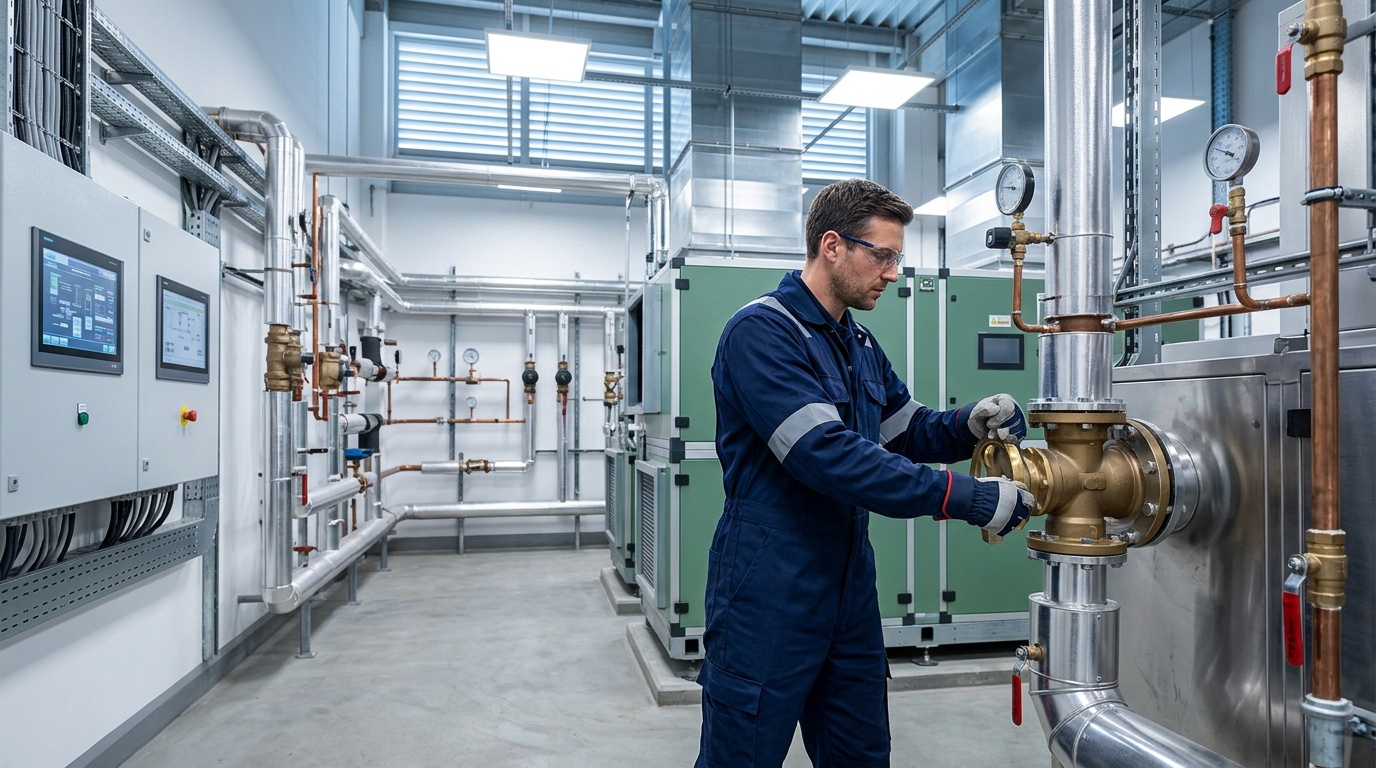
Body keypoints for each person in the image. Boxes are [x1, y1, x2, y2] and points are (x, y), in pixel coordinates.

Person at [696, 178, 1034, 768]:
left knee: (861, 755)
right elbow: (826, 455)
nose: (892, 272)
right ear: (832, 246)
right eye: (882, 255)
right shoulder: (761, 333)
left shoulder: (858, 342)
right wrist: (966, 496)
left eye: (897, 258)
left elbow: (904, 431)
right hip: (769, 589)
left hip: (849, 592)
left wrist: (968, 425)